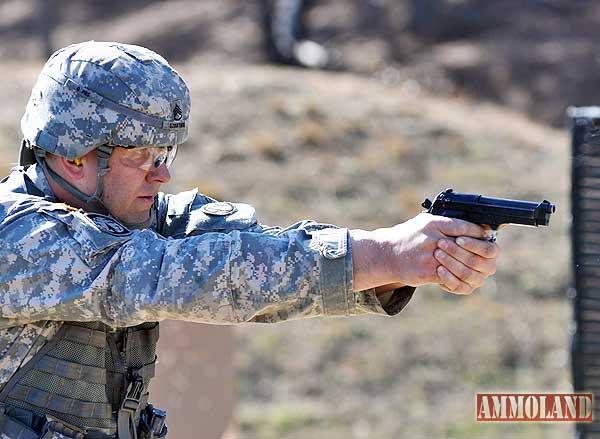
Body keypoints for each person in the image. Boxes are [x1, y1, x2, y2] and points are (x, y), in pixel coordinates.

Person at [0, 41, 498, 439]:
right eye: (141, 156)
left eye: (165, 152)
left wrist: (396, 261)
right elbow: (183, 277)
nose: (163, 174)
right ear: (73, 157)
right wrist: (384, 254)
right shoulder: (18, 239)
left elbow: (249, 252)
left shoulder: (129, 218)